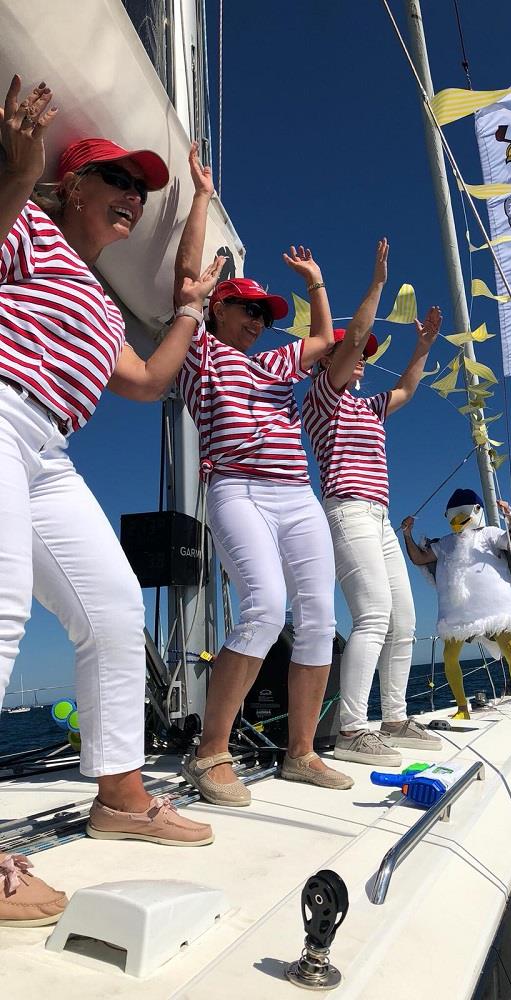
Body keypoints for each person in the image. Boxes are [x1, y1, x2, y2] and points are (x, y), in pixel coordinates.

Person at [0, 76, 224, 927]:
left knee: (116, 607)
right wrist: (20, 167)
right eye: (117, 182)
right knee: (3, 605)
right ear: (72, 188)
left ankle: (123, 796)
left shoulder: (99, 301)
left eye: (141, 189)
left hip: (45, 449)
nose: (132, 197)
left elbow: (150, 379)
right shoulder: (25, 224)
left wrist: (190, 312)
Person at [175, 177, 352, 804]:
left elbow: (329, 343)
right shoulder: (200, 351)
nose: (256, 320)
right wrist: (200, 199)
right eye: (247, 309)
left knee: (320, 618)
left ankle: (301, 753)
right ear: (219, 309)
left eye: (263, 315)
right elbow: (185, 281)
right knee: (263, 607)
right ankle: (211, 752)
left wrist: (315, 283)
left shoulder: (274, 364)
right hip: (237, 488)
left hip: (296, 495)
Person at [302, 240, 444, 767]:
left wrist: (423, 346)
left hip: (379, 517)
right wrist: (379, 282)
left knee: (404, 619)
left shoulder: (367, 406)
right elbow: (355, 334)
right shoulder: (323, 395)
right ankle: (351, 729)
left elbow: (406, 390)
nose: (361, 357)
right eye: (351, 353)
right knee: (373, 615)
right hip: (347, 510)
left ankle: (394, 717)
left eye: (363, 356)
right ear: (332, 360)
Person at [401, 488, 511, 721]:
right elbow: (419, 558)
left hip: (495, 607)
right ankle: (462, 708)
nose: (458, 519)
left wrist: (510, 516)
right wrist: (408, 534)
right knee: (450, 656)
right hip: (457, 611)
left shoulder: (490, 533)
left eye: (464, 512)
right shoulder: (445, 543)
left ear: (477, 511)